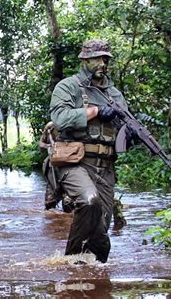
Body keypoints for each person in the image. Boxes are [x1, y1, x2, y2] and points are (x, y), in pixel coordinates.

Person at [49, 39, 132, 263]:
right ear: (84, 60)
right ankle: (69, 263)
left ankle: (90, 274)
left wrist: (129, 135)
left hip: (105, 168)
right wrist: (94, 111)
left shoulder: (115, 94)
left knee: (101, 236)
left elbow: (120, 135)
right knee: (88, 200)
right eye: (97, 58)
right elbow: (59, 119)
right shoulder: (68, 87)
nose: (102, 63)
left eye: (105, 59)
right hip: (75, 162)